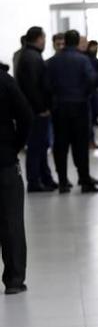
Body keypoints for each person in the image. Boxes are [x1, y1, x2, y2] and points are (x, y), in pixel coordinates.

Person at [46, 30, 98, 193]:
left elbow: (46, 85)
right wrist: (86, 93)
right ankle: (84, 180)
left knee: (60, 145)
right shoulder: (83, 60)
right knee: (80, 145)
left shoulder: (53, 61)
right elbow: (92, 80)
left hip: (59, 108)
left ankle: (63, 181)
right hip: (79, 107)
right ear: (77, 42)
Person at [0, 66, 32, 295]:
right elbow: (26, 116)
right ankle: (14, 279)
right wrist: (15, 146)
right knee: (11, 220)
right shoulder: (4, 81)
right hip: (4, 161)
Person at [15, 27, 57, 193]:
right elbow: (33, 87)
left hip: (33, 109)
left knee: (40, 145)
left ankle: (45, 178)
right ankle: (35, 181)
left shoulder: (26, 55)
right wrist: (42, 108)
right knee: (36, 147)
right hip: (35, 111)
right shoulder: (32, 58)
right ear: (39, 38)